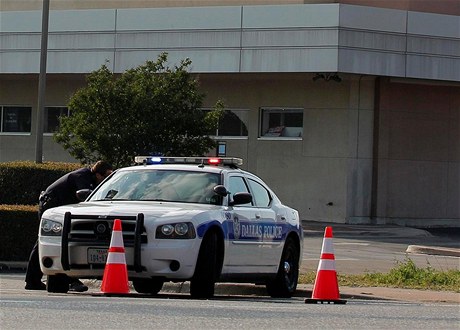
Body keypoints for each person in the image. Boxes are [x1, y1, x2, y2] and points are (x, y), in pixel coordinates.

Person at [25, 161, 113, 291]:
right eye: (106, 176)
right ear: (98, 174)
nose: (106, 180)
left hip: (63, 209)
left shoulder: (91, 179)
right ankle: (34, 281)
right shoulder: (83, 176)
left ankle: (66, 280)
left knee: (64, 241)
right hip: (52, 206)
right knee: (45, 242)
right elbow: (85, 196)